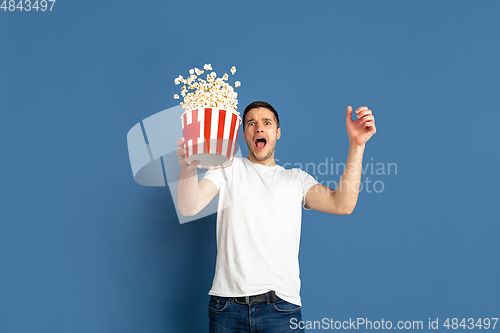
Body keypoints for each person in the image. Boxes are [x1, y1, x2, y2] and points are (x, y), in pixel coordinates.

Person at [176, 101, 376, 333]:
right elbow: (189, 207)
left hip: (281, 309)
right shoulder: (226, 168)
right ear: (243, 135)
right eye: (251, 123)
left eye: (266, 123)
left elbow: (343, 204)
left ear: (277, 133)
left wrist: (356, 145)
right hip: (227, 308)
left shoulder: (296, 179)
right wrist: (188, 168)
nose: (259, 128)